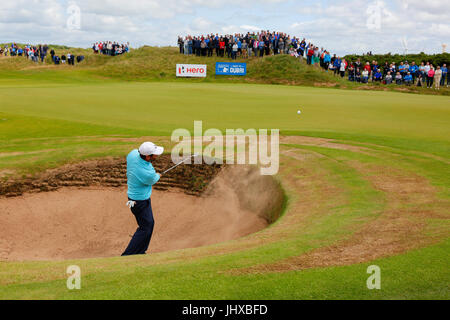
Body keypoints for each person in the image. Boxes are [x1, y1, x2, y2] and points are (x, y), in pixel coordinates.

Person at [122, 142, 163, 256]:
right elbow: (153, 179)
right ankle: (127, 254)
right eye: (154, 154)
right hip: (140, 202)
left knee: (148, 225)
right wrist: (158, 175)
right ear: (147, 156)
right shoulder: (147, 173)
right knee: (145, 227)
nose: (157, 156)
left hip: (132, 199)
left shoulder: (133, 154)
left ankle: (140, 251)